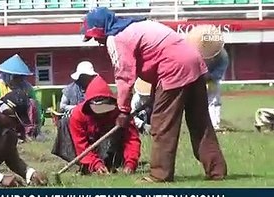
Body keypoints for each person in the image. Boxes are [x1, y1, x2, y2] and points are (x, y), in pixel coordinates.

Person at [81, 7, 227, 182]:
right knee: (200, 122)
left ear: (101, 28)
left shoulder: (117, 38)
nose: (98, 42)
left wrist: (123, 111)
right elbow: (156, 56)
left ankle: (160, 174)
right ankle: (216, 170)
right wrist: (154, 93)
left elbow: (124, 76)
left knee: (162, 125)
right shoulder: (139, 24)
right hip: (194, 62)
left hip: (174, 69)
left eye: (96, 37)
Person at [52, 75, 141, 175]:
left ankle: (111, 163)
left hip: (111, 149)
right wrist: (95, 164)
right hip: (86, 149)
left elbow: (131, 139)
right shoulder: (78, 114)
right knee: (64, 123)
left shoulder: (121, 114)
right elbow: (80, 144)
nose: (101, 114)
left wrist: (131, 163)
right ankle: (86, 164)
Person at [0, 54, 43, 140]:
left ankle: (30, 133)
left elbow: (36, 107)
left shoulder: (27, 87)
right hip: (3, 119)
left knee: (32, 103)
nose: (19, 80)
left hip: (22, 118)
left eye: (21, 77)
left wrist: (38, 123)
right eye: (16, 77)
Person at [185, 25, 230, 131]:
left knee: (214, 100)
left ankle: (215, 123)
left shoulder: (223, 57)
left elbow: (218, 73)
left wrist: (209, 76)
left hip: (212, 79)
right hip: (196, 77)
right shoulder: (194, 52)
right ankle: (198, 124)